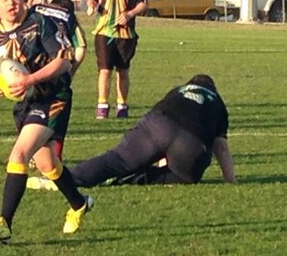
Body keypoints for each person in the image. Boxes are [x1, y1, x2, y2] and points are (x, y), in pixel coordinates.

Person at [0, 0, 94, 244]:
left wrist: (29, 79)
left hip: (54, 97)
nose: (12, 4)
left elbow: (63, 62)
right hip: (26, 105)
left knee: (19, 153)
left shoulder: (40, 23)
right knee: (45, 164)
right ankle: (79, 203)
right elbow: (2, 77)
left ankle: (5, 224)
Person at [63, 74, 236, 188]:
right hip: (191, 141)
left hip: (158, 124)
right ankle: (129, 178)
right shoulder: (217, 102)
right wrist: (230, 180)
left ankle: (67, 177)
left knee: (119, 158)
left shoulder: (178, 90)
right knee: (184, 177)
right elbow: (220, 148)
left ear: (190, 84)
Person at [87, 0, 148, 120]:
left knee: (123, 70)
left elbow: (143, 3)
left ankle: (122, 105)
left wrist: (130, 14)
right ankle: (102, 105)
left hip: (126, 33)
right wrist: (92, 5)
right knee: (104, 70)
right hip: (104, 31)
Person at [27, 0, 87, 163]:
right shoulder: (69, 17)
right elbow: (81, 48)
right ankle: (53, 160)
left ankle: (32, 153)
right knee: (56, 122)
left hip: (34, 68)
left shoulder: (36, 10)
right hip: (58, 69)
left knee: (29, 112)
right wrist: (71, 72)